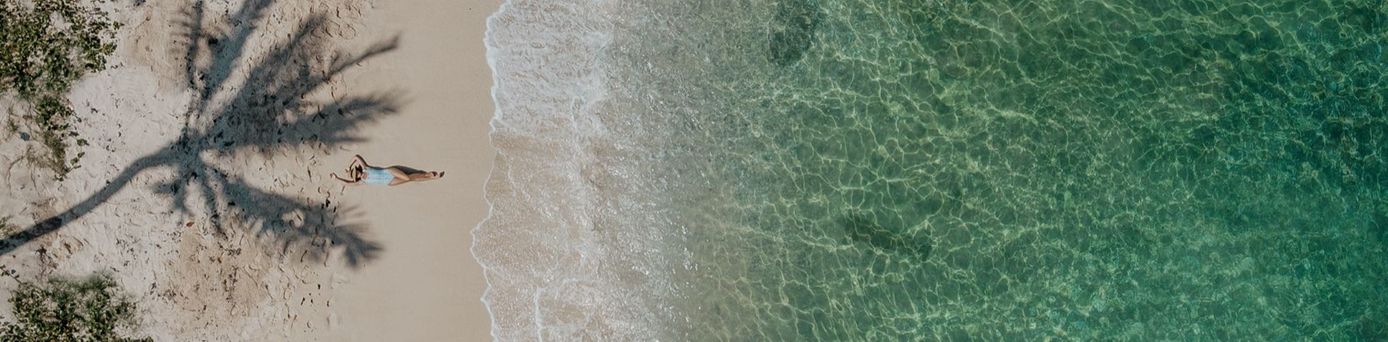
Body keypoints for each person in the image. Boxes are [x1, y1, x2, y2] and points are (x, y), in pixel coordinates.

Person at [331, 154, 443, 186]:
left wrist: (348, 166)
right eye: (356, 174)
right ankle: (429, 177)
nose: (358, 174)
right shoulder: (362, 182)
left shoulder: (366, 168)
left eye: (356, 171)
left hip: (389, 171)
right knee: (409, 180)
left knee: (408, 177)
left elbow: (356, 157)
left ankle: (429, 175)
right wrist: (336, 178)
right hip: (388, 182)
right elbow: (347, 183)